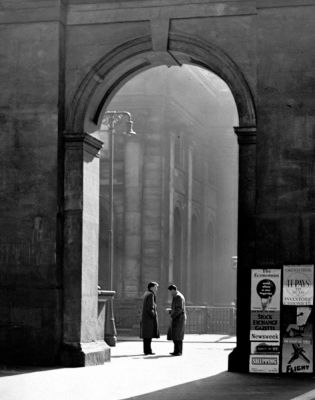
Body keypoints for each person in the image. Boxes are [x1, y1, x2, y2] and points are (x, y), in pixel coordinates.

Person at [140, 281, 160, 355]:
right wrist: (154, 315)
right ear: (151, 287)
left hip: (145, 317)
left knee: (146, 336)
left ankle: (146, 350)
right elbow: (150, 307)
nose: (157, 289)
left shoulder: (146, 293)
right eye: (156, 287)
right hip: (149, 319)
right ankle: (148, 351)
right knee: (148, 335)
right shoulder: (151, 295)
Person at [167, 284, 186, 356]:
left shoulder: (178, 296)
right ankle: (176, 351)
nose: (170, 293)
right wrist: (171, 311)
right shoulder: (177, 296)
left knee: (178, 335)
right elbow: (177, 308)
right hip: (178, 318)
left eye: (171, 291)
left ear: (173, 290)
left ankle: (178, 351)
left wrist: (172, 314)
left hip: (179, 318)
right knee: (176, 335)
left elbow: (179, 309)